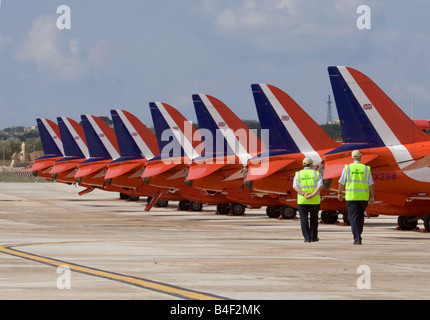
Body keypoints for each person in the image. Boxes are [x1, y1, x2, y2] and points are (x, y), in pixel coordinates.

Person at [337, 150, 375, 245]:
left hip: (352, 197)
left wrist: (340, 193)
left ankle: (357, 238)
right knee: (360, 216)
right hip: (363, 197)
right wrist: (372, 197)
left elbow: (341, 182)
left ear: (352, 157)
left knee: (353, 217)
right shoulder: (366, 169)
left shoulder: (347, 168)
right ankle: (358, 235)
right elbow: (371, 184)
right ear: (360, 157)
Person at [293, 157, 323, 243]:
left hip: (302, 200)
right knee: (314, 219)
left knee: (304, 219)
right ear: (311, 165)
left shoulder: (298, 174)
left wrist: (303, 194)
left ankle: (307, 238)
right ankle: (314, 237)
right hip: (314, 200)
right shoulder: (316, 173)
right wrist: (313, 194)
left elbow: (295, 186)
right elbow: (320, 185)